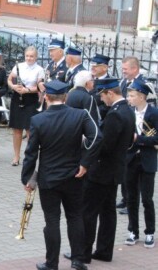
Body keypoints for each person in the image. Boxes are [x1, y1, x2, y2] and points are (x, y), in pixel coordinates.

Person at [21, 80, 101, 270]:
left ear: (46, 97)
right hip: (74, 175)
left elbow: (31, 153)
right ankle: (78, 260)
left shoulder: (38, 120)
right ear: (65, 97)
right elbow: (97, 136)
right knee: (75, 217)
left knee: (52, 220)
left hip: (49, 178)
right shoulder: (80, 115)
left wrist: (27, 178)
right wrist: (85, 162)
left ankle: (52, 263)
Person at [67, 78, 134, 263]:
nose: (102, 100)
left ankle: (83, 254)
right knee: (108, 212)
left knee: (88, 212)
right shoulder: (127, 110)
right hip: (115, 170)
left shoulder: (115, 114)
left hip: (101, 172)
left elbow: (104, 146)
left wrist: (86, 143)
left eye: (103, 96)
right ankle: (104, 251)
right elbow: (128, 142)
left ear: (110, 93)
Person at [124, 79, 158, 249]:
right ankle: (133, 230)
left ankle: (150, 232)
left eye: (131, 96)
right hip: (130, 160)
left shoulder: (154, 113)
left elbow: (157, 138)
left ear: (142, 97)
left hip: (147, 160)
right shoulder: (129, 113)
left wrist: (139, 140)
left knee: (147, 199)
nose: (128, 98)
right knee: (131, 198)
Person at [7, 46, 44, 166]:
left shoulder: (39, 69)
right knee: (17, 129)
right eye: (27, 56)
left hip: (30, 99)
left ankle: (29, 157)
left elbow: (40, 87)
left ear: (36, 57)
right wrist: (14, 87)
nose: (29, 58)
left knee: (30, 130)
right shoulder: (19, 66)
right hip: (17, 98)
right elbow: (9, 79)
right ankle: (16, 156)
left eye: (32, 56)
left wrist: (27, 90)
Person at [118, 56, 145, 214]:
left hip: (136, 128)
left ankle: (131, 202)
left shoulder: (142, 84)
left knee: (133, 170)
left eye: (126, 69)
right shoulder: (123, 82)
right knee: (124, 166)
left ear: (134, 69)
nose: (123, 71)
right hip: (125, 126)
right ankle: (125, 198)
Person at [89, 54, 112, 120]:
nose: (92, 68)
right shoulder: (89, 79)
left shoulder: (109, 83)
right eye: (91, 65)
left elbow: (107, 106)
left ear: (105, 68)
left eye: (95, 66)